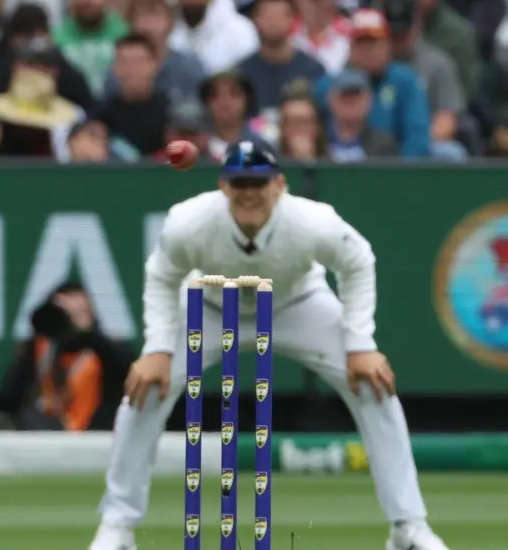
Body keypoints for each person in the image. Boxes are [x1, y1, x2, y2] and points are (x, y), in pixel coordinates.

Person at [88, 140, 450, 550]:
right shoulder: (188, 221)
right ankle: (117, 527)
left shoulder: (313, 221)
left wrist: (360, 343)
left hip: (295, 302)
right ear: (224, 185)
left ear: (279, 185)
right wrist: (156, 348)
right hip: (211, 304)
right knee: (144, 390)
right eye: (239, 181)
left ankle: (408, 526)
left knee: (374, 384)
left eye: (258, 182)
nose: (248, 192)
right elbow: (161, 276)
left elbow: (358, 262)